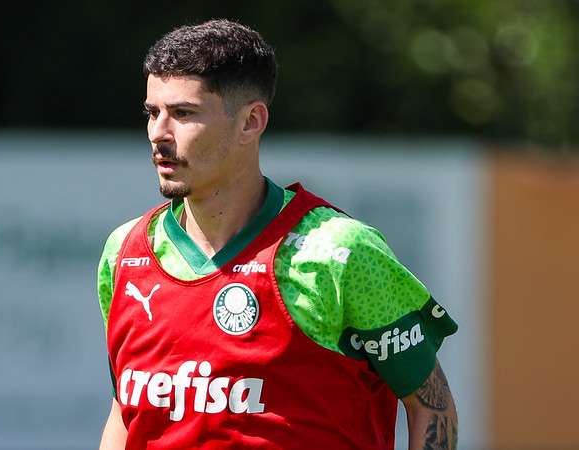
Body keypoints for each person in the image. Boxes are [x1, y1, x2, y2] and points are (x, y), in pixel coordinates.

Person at [97, 19, 458, 450]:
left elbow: (432, 406)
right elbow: (125, 409)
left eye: (184, 113)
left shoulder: (340, 253)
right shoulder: (125, 253)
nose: (159, 133)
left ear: (251, 122)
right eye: (152, 113)